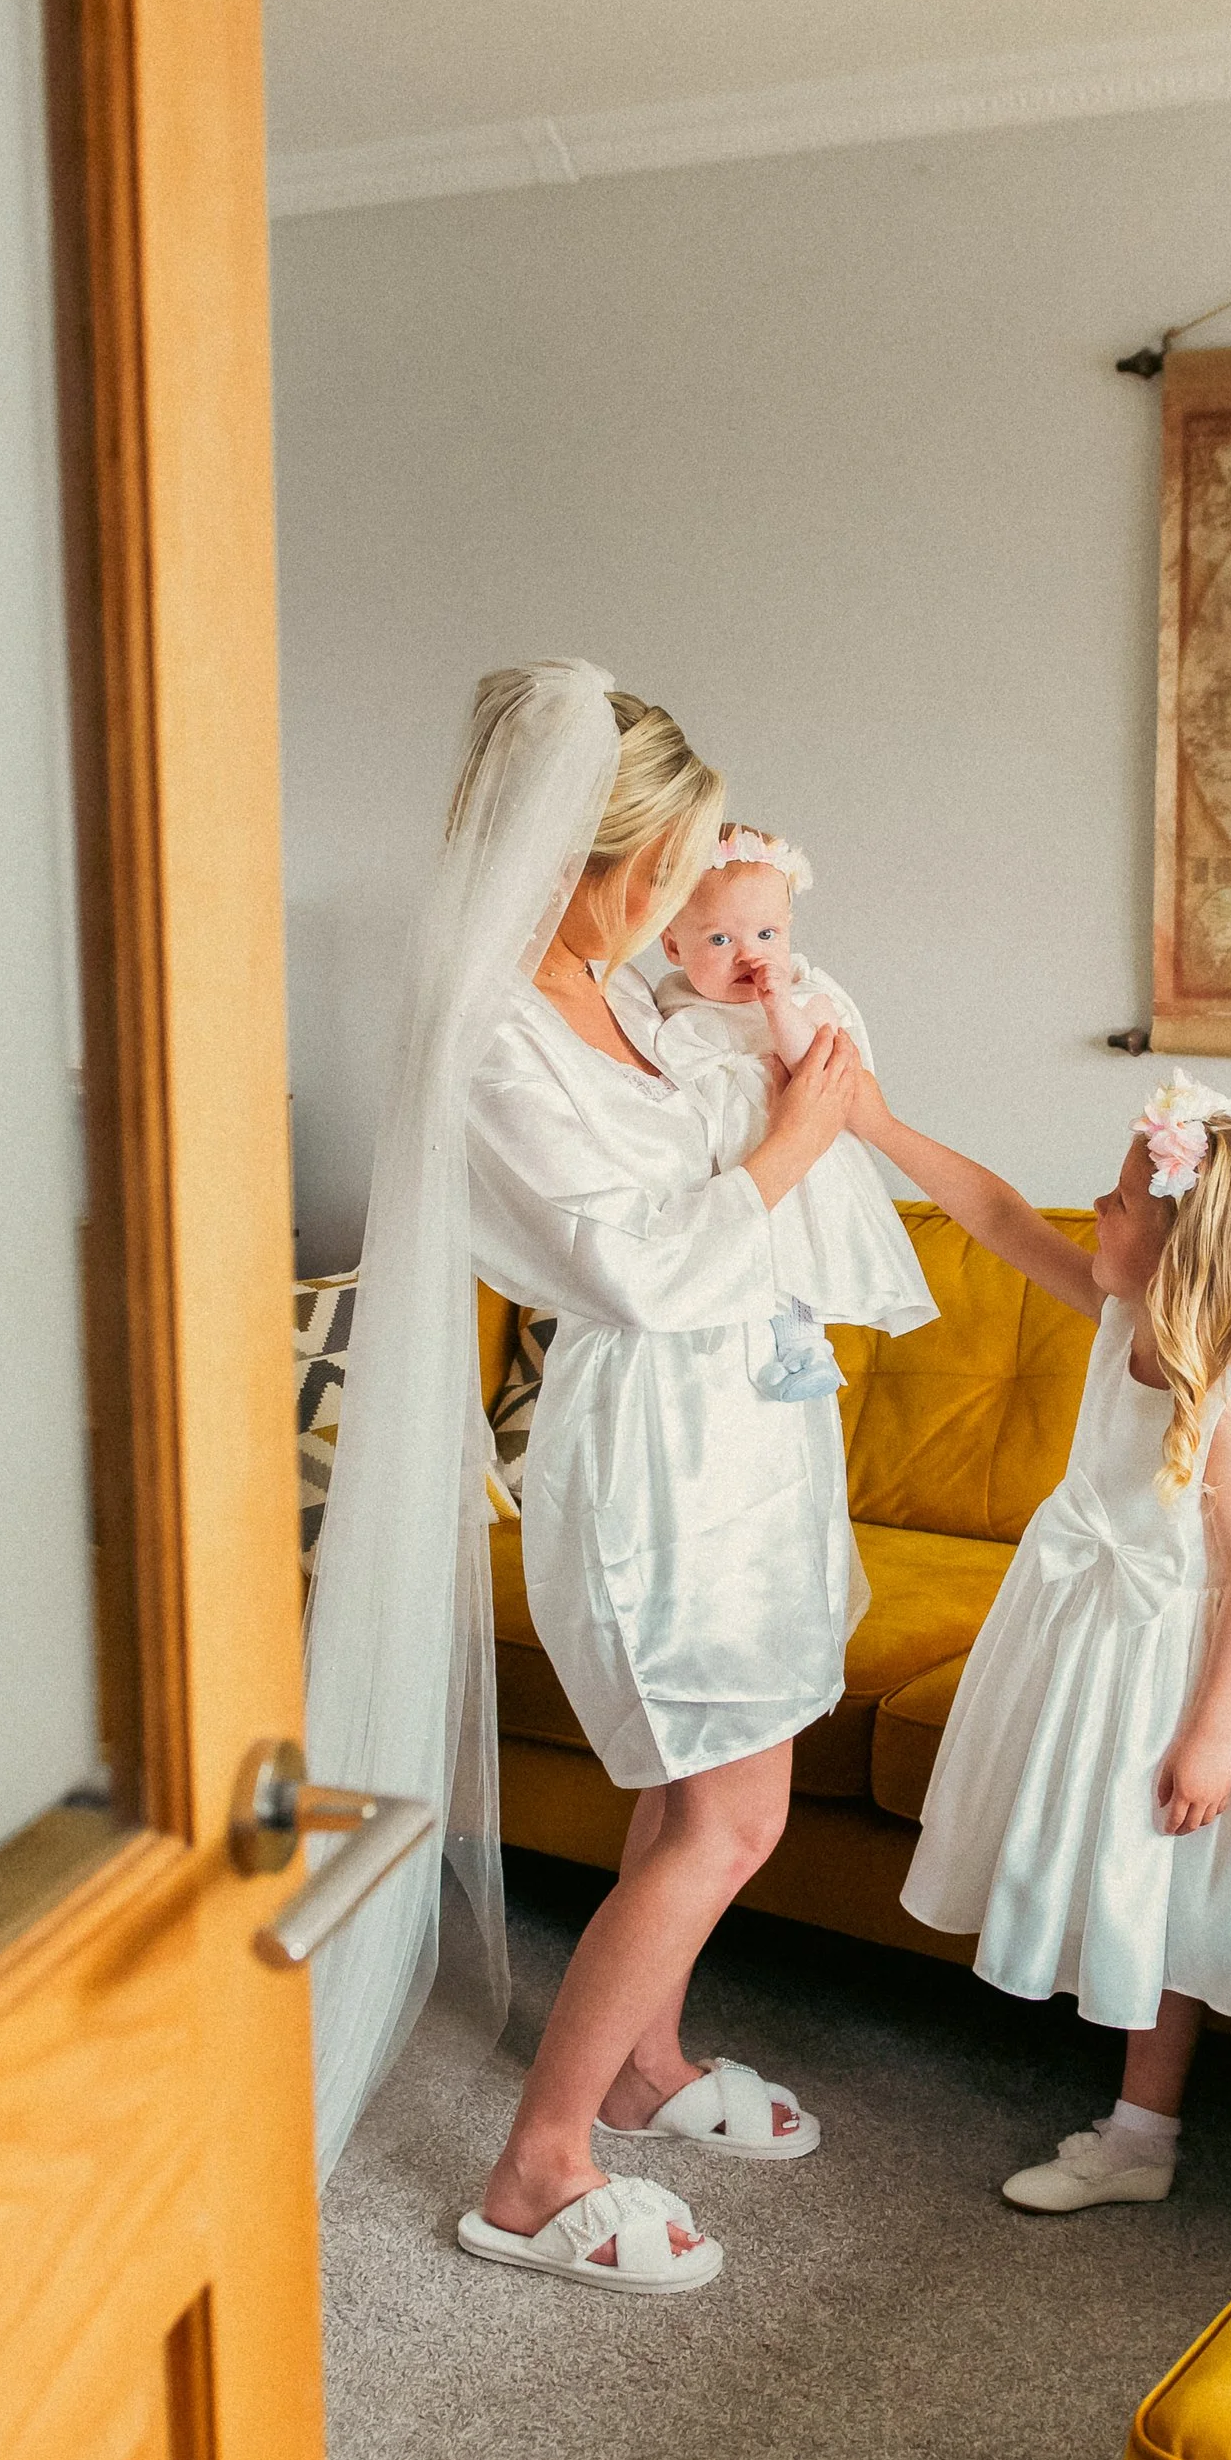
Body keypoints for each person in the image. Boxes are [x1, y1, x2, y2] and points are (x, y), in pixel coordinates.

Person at [304, 661, 861, 2296]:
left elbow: (713, 1149)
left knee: (686, 1795)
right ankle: (539, 2166)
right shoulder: (492, 1037)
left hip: (744, 1438)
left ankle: (644, 2062)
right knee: (735, 1816)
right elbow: (632, 1268)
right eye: (663, 865)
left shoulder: (624, 1000)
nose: (683, 897)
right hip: (652, 1461)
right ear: (574, 854)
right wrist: (792, 1146)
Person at [862, 1066, 1231, 2281]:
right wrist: (877, 1121)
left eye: (1122, 1201)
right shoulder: (1126, 1312)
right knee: (1145, 1892)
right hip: (1117, 1655)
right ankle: (1139, 2133)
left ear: (1185, 1252)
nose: (1098, 1212)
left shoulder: (1228, 1405)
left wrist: (1211, 1738)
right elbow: (1000, 1216)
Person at [650, 821, 934, 1397]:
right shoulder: (665, 1001)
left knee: (795, 1243)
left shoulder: (806, 996)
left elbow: (814, 1066)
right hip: (718, 1165)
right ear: (674, 946)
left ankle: (805, 1344)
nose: (748, 956)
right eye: (720, 940)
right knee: (734, 1250)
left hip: (793, 1150)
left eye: (766, 933)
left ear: (788, 930)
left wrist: (778, 1006)